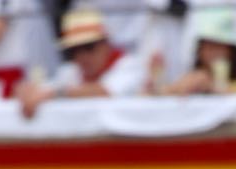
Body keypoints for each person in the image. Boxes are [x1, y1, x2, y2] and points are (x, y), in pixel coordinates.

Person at [16, 8, 146, 117]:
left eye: (89, 47)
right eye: (74, 50)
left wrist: (55, 94)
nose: (82, 56)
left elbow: (105, 92)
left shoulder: (129, 65)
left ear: (106, 44)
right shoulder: (70, 72)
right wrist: (27, 91)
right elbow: (43, 89)